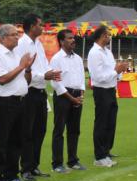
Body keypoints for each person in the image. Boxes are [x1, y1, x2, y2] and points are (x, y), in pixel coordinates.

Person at [0, 24, 34, 181]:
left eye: (17, 34)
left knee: (17, 140)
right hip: (5, 102)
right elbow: (2, 80)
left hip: (21, 101)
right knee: (3, 140)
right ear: (3, 38)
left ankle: (12, 174)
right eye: (13, 35)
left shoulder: (17, 55)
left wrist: (28, 68)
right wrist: (21, 66)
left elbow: (26, 80)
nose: (17, 37)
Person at [17, 14, 60, 181]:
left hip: (41, 92)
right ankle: (25, 168)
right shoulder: (22, 44)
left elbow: (44, 65)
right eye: (40, 25)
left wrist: (51, 73)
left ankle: (34, 165)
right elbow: (23, 69)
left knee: (39, 130)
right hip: (29, 92)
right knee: (27, 131)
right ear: (31, 26)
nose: (42, 28)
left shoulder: (38, 44)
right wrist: (44, 75)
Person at [87, 26, 126, 168]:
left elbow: (113, 70)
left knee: (111, 122)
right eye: (108, 35)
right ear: (102, 36)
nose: (109, 37)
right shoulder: (94, 53)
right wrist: (116, 71)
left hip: (111, 89)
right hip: (101, 90)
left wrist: (119, 72)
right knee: (101, 123)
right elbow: (98, 77)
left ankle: (106, 151)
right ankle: (99, 156)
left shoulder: (108, 52)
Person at [49, 30, 86, 172]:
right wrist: (71, 98)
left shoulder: (78, 58)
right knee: (59, 130)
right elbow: (56, 83)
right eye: (69, 38)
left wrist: (81, 94)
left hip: (77, 94)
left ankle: (73, 160)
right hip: (63, 96)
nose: (73, 40)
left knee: (74, 130)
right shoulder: (56, 58)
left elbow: (82, 78)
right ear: (61, 41)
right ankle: (57, 163)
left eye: (73, 38)